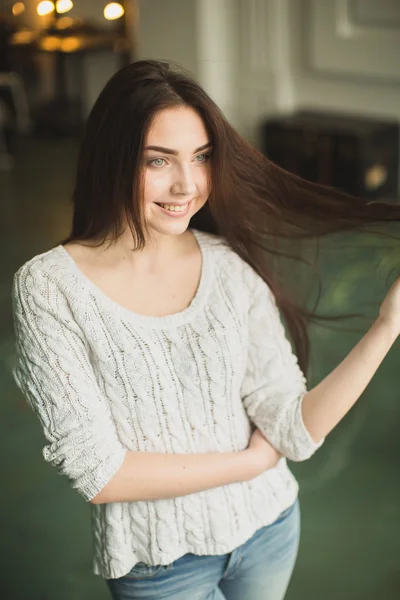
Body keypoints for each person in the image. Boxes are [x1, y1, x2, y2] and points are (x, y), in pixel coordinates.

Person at [12, 60, 400, 600]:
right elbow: (100, 475)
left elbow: (291, 429)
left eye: (201, 158)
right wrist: (248, 463)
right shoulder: (50, 288)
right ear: (112, 159)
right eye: (158, 161)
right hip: (160, 566)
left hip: (269, 527)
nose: (187, 185)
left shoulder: (229, 267)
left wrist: (386, 327)